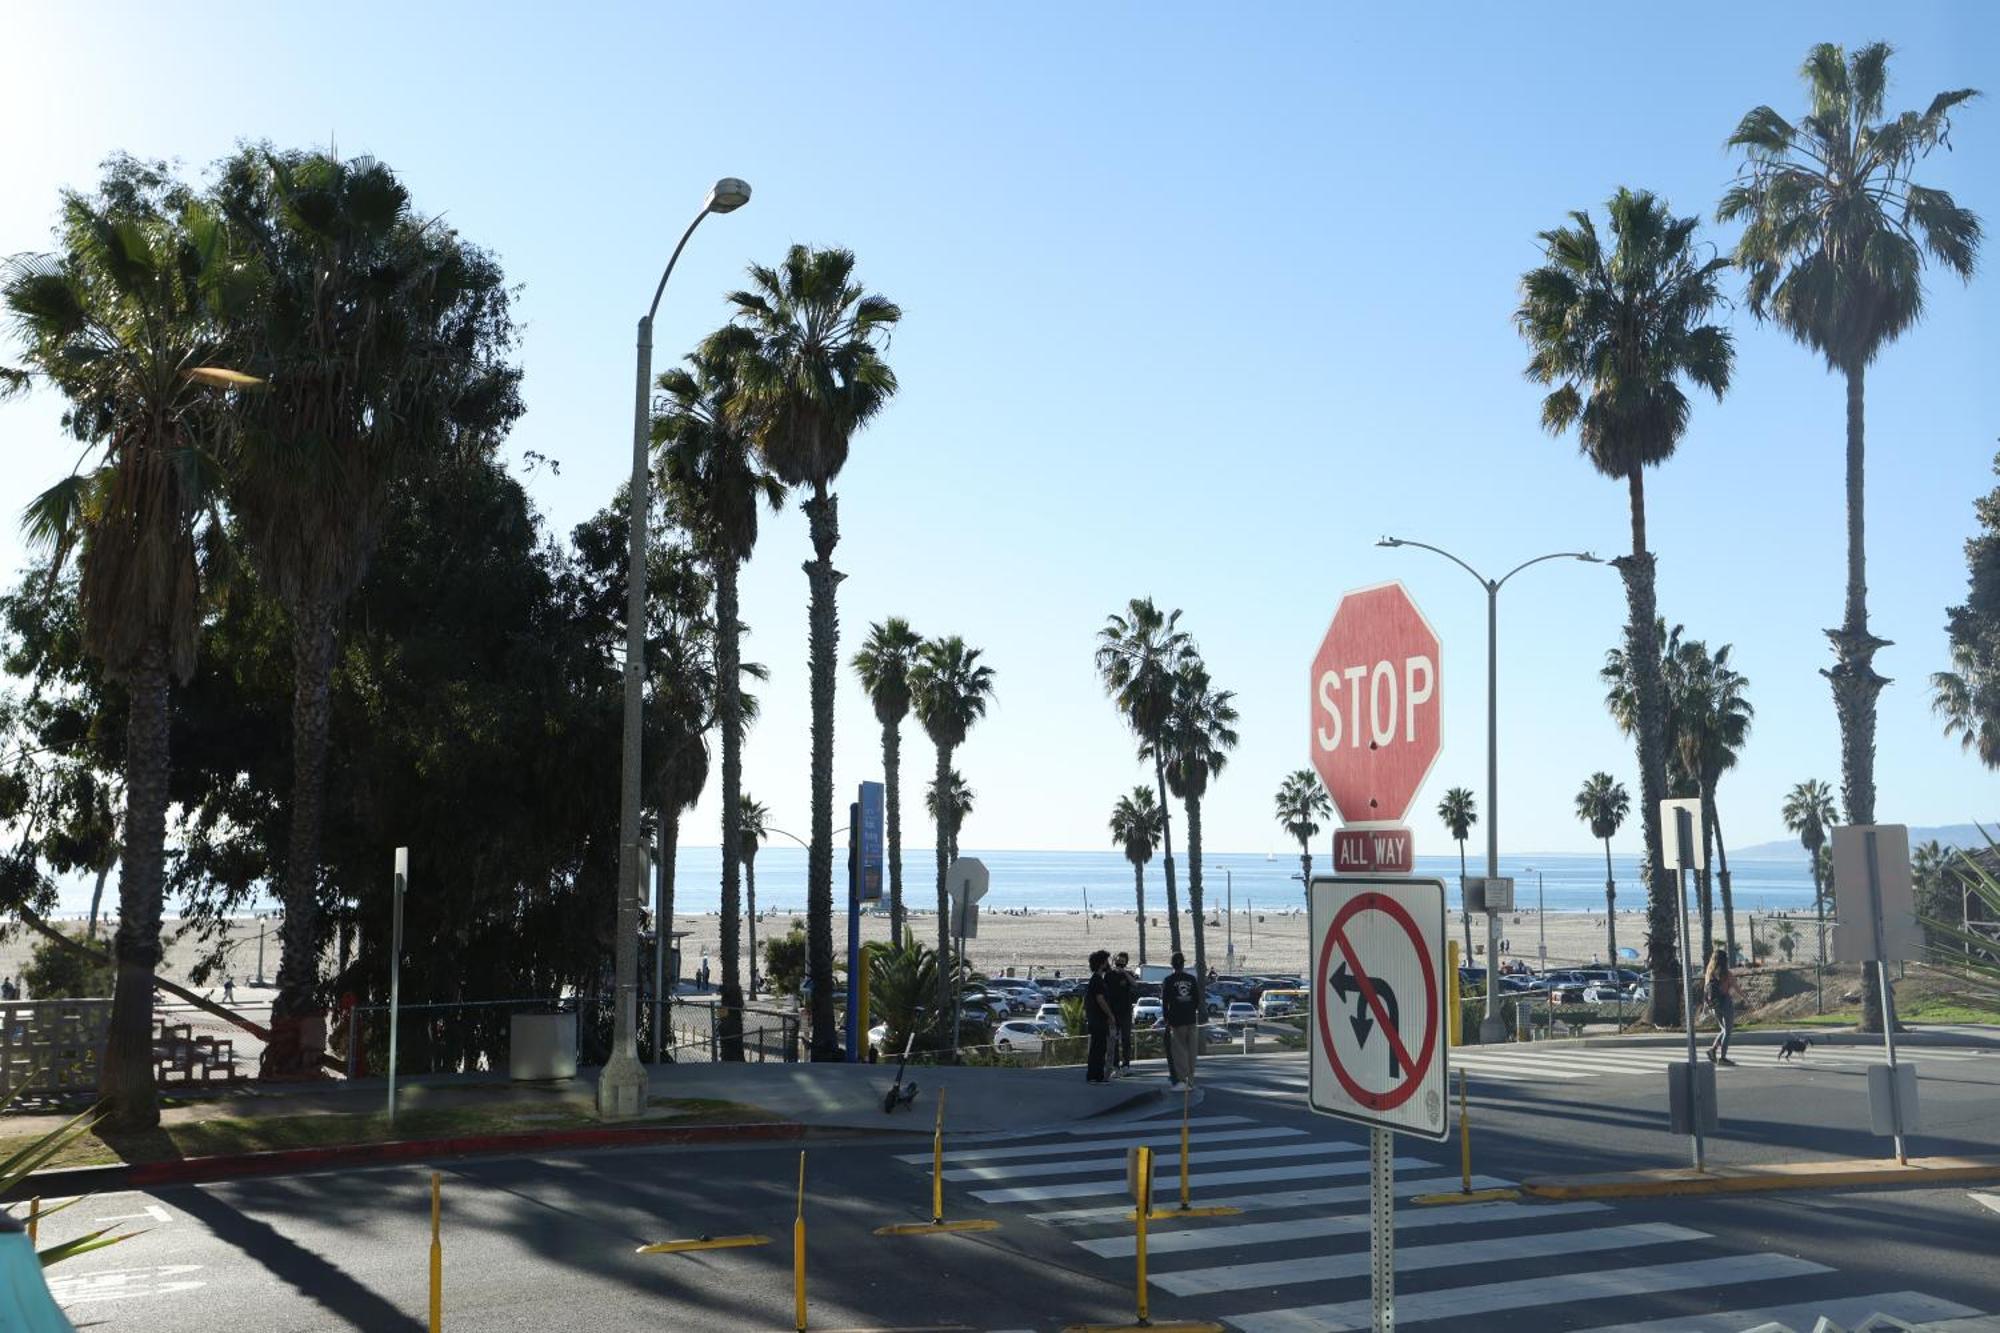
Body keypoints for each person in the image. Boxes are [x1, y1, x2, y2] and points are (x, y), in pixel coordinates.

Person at [1162, 952, 1201, 1089]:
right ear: (1183, 964)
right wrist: (1191, 1010)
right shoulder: (1191, 979)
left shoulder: (1168, 980)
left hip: (1176, 1020)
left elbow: (1165, 1002)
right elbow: (1197, 999)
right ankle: (1191, 1079)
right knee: (1192, 1050)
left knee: (1180, 1050)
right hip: (1190, 1018)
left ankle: (1182, 1080)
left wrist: (1166, 1018)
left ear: (1172, 964)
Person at [1704, 946, 1740, 1066]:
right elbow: (1736, 988)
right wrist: (1747, 999)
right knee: (1728, 1031)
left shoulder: (1709, 973)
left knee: (1724, 1030)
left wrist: (1706, 1005)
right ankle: (1723, 1058)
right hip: (1725, 1003)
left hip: (1714, 1004)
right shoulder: (1726, 974)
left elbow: (1706, 990)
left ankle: (1713, 1050)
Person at [1084, 950, 1115, 1083]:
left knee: (1100, 1047)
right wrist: (1110, 1014)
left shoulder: (1099, 979)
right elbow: (1100, 999)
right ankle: (1093, 1075)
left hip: (1098, 1019)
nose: (1108, 964)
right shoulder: (1096, 980)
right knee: (1097, 1047)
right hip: (1097, 1019)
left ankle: (1097, 1075)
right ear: (1101, 964)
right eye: (1106, 961)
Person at [1108, 951, 1136, 1076]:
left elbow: (1135, 984)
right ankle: (1115, 1066)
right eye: (1119, 961)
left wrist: (1124, 972)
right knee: (1113, 1040)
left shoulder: (1128, 974)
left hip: (1125, 1012)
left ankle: (1126, 1065)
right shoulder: (1109, 975)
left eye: (1123, 962)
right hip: (1113, 1012)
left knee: (1126, 1039)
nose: (1120, 964)